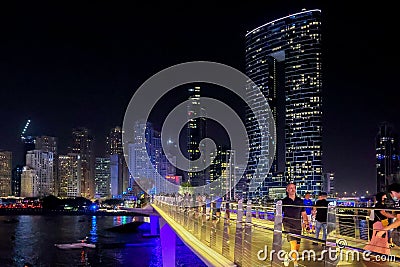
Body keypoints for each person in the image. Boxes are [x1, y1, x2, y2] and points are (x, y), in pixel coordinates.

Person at [282, 183, 309, 267]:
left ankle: (288, 256)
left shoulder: (300, 201)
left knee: (297, 246)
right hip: (288, 224)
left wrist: (306, 223)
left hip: (298, 225)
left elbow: (303, 213)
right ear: (287, 190)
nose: (292, 189)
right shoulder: (284, 201)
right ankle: (295, 263)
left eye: (294, 188)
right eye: (290, 188)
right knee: (293, 244)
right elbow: (278, 213)